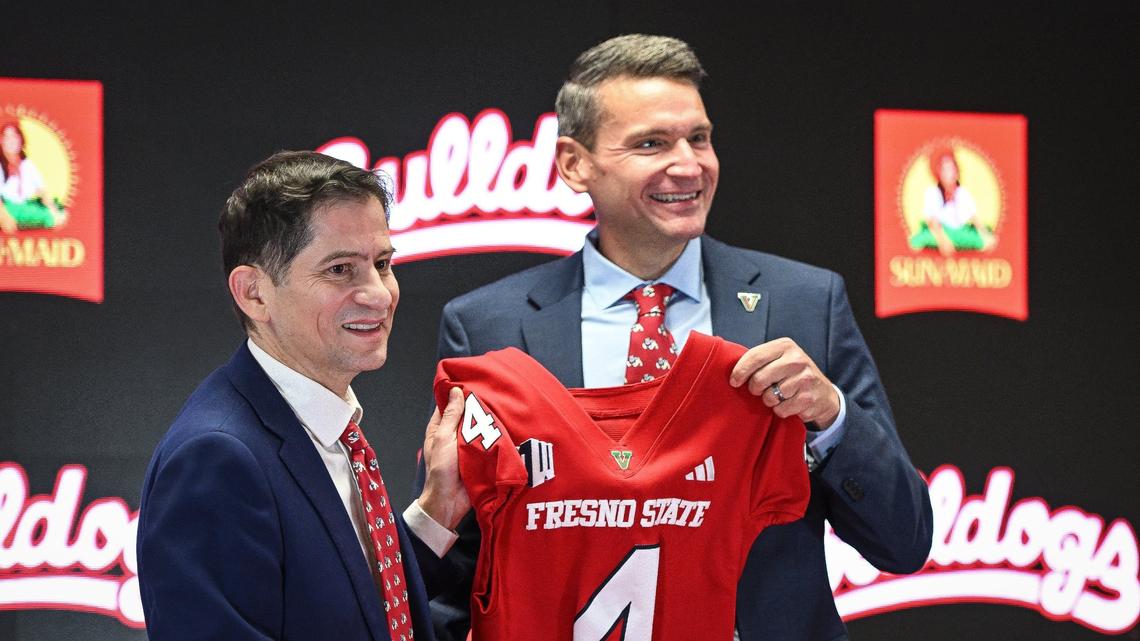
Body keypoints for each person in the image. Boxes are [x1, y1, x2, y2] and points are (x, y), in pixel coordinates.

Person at [421, 34, 933, 641]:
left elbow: (905, 541)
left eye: (700, 138)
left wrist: (832, 420)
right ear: (573, 163)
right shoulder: (489, 326)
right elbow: (460, 568)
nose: (689, 165)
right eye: (651, 144)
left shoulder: (805, 304)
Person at [138, 151, 470, 641]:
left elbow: (359, 606)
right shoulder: (216, 457)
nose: (379, 293)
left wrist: (436, 511)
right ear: (254, 293)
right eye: (340, 270)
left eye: (382, 263)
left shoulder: (322, 421)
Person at [909, 146, 995, 256]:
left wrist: (984, 235)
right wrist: (943, 241)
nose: (949, 174)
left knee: (982, 239)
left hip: (960, 232)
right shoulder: (933, 192)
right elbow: (932, 221)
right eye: (945, 170)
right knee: (919, 240)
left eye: (951, 169)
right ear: (939, 173)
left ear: (957, 172)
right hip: (939, 231)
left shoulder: (963, 193)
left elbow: (974, 219)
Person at [0, 120, 66, 232]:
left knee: (58, 210)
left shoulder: (27, 165)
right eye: (7, 137)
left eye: (14, 137)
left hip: (24, 207)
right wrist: (5, 216)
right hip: (6, 208)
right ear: (1, 141)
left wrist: (53, 210)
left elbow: (42, 191)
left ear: (21, 140)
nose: (11, 141)